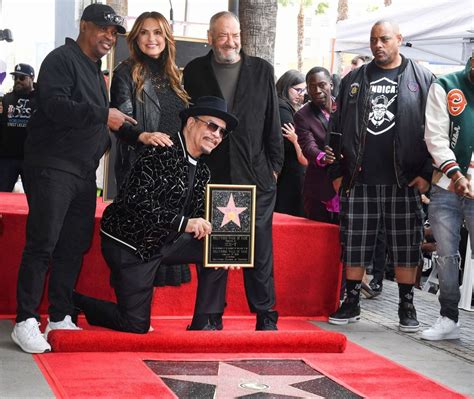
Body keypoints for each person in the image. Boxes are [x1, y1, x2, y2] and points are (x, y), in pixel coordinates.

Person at [11, 4, 134, 354]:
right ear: (83, 25)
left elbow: (104, 120)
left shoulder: (97, 72)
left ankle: (60, 314)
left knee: (74, 244)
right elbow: (53, 105)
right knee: (43, 242)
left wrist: (132, 133)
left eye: (114, 33)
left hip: (82, 170)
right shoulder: (61, 59)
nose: (110, 37)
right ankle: (25, 320)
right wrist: (102, 115)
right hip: (52, 165)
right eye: (104, 29)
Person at [73, 96, 238, 333]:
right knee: (135, 325)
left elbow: (200, 218)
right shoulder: (160, 151)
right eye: (212, 126)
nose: (217, 135)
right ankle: (78, 301)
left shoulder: (203, 171)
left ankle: (206, 323)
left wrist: (231, 249)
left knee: (219, 248)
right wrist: (183, 223)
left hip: (165, 240)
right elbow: (136, 201)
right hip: (131, 243)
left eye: (222, 132)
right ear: (191, 122)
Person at [325, 20, 435, 332]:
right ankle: (351, 301)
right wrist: (336, 172)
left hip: (404, 179)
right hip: (359, 179)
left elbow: (436, 129)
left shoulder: (422, 78)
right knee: (355, 243)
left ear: (400, 39)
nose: (378, 45)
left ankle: (406, 304)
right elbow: (335, 126)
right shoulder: (355, 78)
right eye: (373, 39)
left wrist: (427, 173)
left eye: (384, 39)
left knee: (405, 244)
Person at [183, 11, 283, 331]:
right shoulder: (196, 70)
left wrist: (275, 167)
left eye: (236, 35)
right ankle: (209, 316)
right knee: (215, 246)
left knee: (259, 249)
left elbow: (273, 120)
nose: (231, 42)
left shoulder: (262, 70)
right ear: (210, 38)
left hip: (256, 174)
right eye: (223, 36)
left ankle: (266, 316)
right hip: (212, 172)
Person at [110, 11, 190, 288]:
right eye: (144, 32)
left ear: (167, 38)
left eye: (157, 32)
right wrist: (144, 135)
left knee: (162, 241)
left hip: (172, 170)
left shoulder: (175, 76)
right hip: (141, 167)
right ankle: (132, 311)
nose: (151, 38)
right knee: (139, 240)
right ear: (135, 38)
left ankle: (146, 312)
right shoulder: (126, 72)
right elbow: (120, 122)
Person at [422, 55, 473, 340]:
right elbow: (435, 136)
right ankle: (448, 317)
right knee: (445, 255)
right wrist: (456, 174)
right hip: (446, 183)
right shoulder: (446, 85)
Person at [295, 67, 338, 224]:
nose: (317, 90)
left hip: (347, 185)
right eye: (311, 86)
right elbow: (307, 146)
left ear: (331, 85)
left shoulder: (345, 107)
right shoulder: (302, 115)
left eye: (322, 84)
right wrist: (323, 157)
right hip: (319, 189)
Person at [274, 69, 307, 217]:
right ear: (286, 86)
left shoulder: (286, 106)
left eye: (304, 90)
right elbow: (289, 139)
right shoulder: (282, 108)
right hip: (289, 169)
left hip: (291, 167)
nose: (301, 94)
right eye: (297, 89)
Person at [0, 63, 36, 192]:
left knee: (34, 197)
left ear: (32, 78)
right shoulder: (6, 99)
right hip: (7, 157)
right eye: (15, 78)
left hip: (31, 157)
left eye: (22, 78)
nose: (18, 81)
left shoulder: (40, 100)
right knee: (2, 194)